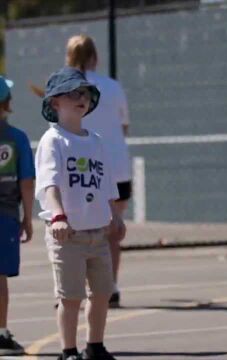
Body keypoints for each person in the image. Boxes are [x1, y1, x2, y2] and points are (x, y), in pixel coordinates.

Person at [35, 66, 125, 360]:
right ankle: (68, 350)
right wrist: (58, 216)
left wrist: (117, 215)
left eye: (84, 93)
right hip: (68, 235)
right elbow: (49, 184)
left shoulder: (95, 140)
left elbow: (108, 183)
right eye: (73, 93)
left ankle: (95, 346)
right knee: (70, 298)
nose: (81, 98)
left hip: (98, 234)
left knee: (101, 294)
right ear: (54, 103)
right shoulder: (53, 141)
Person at [65, 34, 132, 308]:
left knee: (79, 231)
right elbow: (124, 125)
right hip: (117, 166)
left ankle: (76, 290)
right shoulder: (113, 87)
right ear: (95, 56)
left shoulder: (68, 89)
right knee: (113, 230)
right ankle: (110, 287)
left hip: (83, 170)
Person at [0, 76, 35, 356]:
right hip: (6, 216)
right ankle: (1, 332)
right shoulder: (18, 138)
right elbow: (27, 181)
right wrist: (28, 217)